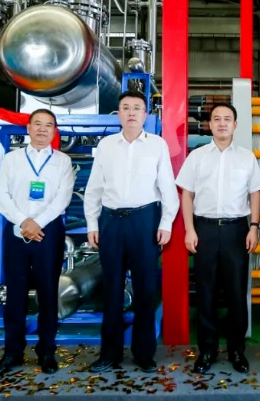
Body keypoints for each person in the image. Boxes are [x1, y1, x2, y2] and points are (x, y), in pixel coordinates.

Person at [83, 90, 180, 373]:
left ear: (145, 114)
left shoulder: (157, 145)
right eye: (125, 108)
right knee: (111, 289)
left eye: (137, 108)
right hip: (111, 222)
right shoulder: (106, 146)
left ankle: (143, 353)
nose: (131, 113)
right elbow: (94, 187)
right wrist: (92, 223)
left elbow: (167, 187)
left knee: (145, 289)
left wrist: (166, 223)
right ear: (119, 113)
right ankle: (109, 354)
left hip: (144, 221)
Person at [176, 103, 260, 374]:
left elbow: (255, 193)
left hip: (237, 230)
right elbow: (187, 194)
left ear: (235, 124)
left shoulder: (247, 158)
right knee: (206, 292)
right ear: (210, 125)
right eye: (217, 119)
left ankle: (237, 350)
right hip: (204, 229)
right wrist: (189, 229)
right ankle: (207, 349)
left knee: (237, 292)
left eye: (227, 119)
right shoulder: (197, 157)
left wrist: (254, 227)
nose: (222, 123)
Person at [0, 109, 75, 378]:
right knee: (15, 294)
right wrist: (23, 221)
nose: (42, 129)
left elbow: (63, 198)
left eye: (48, 125)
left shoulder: (62, 161)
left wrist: (38, 223)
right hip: (17, 232)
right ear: (28, 128)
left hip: (49, 233)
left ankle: (46, 351)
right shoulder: (12, 159)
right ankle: (12, 352)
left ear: (54, 131)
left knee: (48, 294)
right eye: (37, 124)